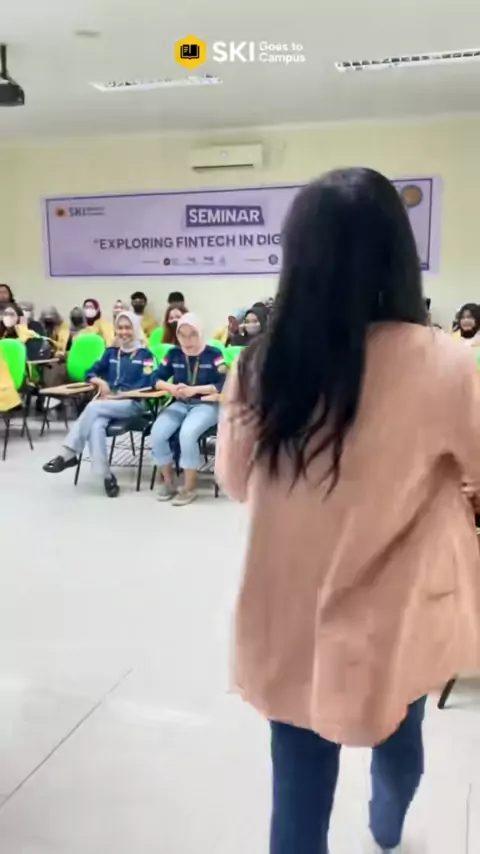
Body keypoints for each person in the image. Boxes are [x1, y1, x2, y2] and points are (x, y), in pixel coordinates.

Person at [215, 167, 480, 854]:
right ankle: (386, 830)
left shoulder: (260, 363)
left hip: (288, 604)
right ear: (398, 251)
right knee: (400, 741)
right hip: (397, 609)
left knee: (297, 794)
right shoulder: (448, 363)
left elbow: (236, 481)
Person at [42, 311, 155, 498]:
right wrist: (99, 381)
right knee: (96, 425)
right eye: (120, 328)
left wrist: (117, 397)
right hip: (108, 404)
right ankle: (106, 477)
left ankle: (68, 453)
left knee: (93, 407)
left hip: (134, 404)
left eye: (128, 328)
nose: (123, 332)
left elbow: (147, 385)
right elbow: (91, 371)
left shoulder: (146, 356)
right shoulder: (111, 353)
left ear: (135, 329)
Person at [150, 312, 225, 506]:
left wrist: (195, 390)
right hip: (180, 403)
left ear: (200, 333)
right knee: (157, 433)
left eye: (192, 334)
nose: (187, 340)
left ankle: (189, 487)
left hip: (206, 404)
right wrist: (171, 388)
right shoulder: (173, 354)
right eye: (182, 335)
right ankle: (169, 482)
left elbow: (223, 383)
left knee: (187, 434)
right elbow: (154, 378)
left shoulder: (214, 355)